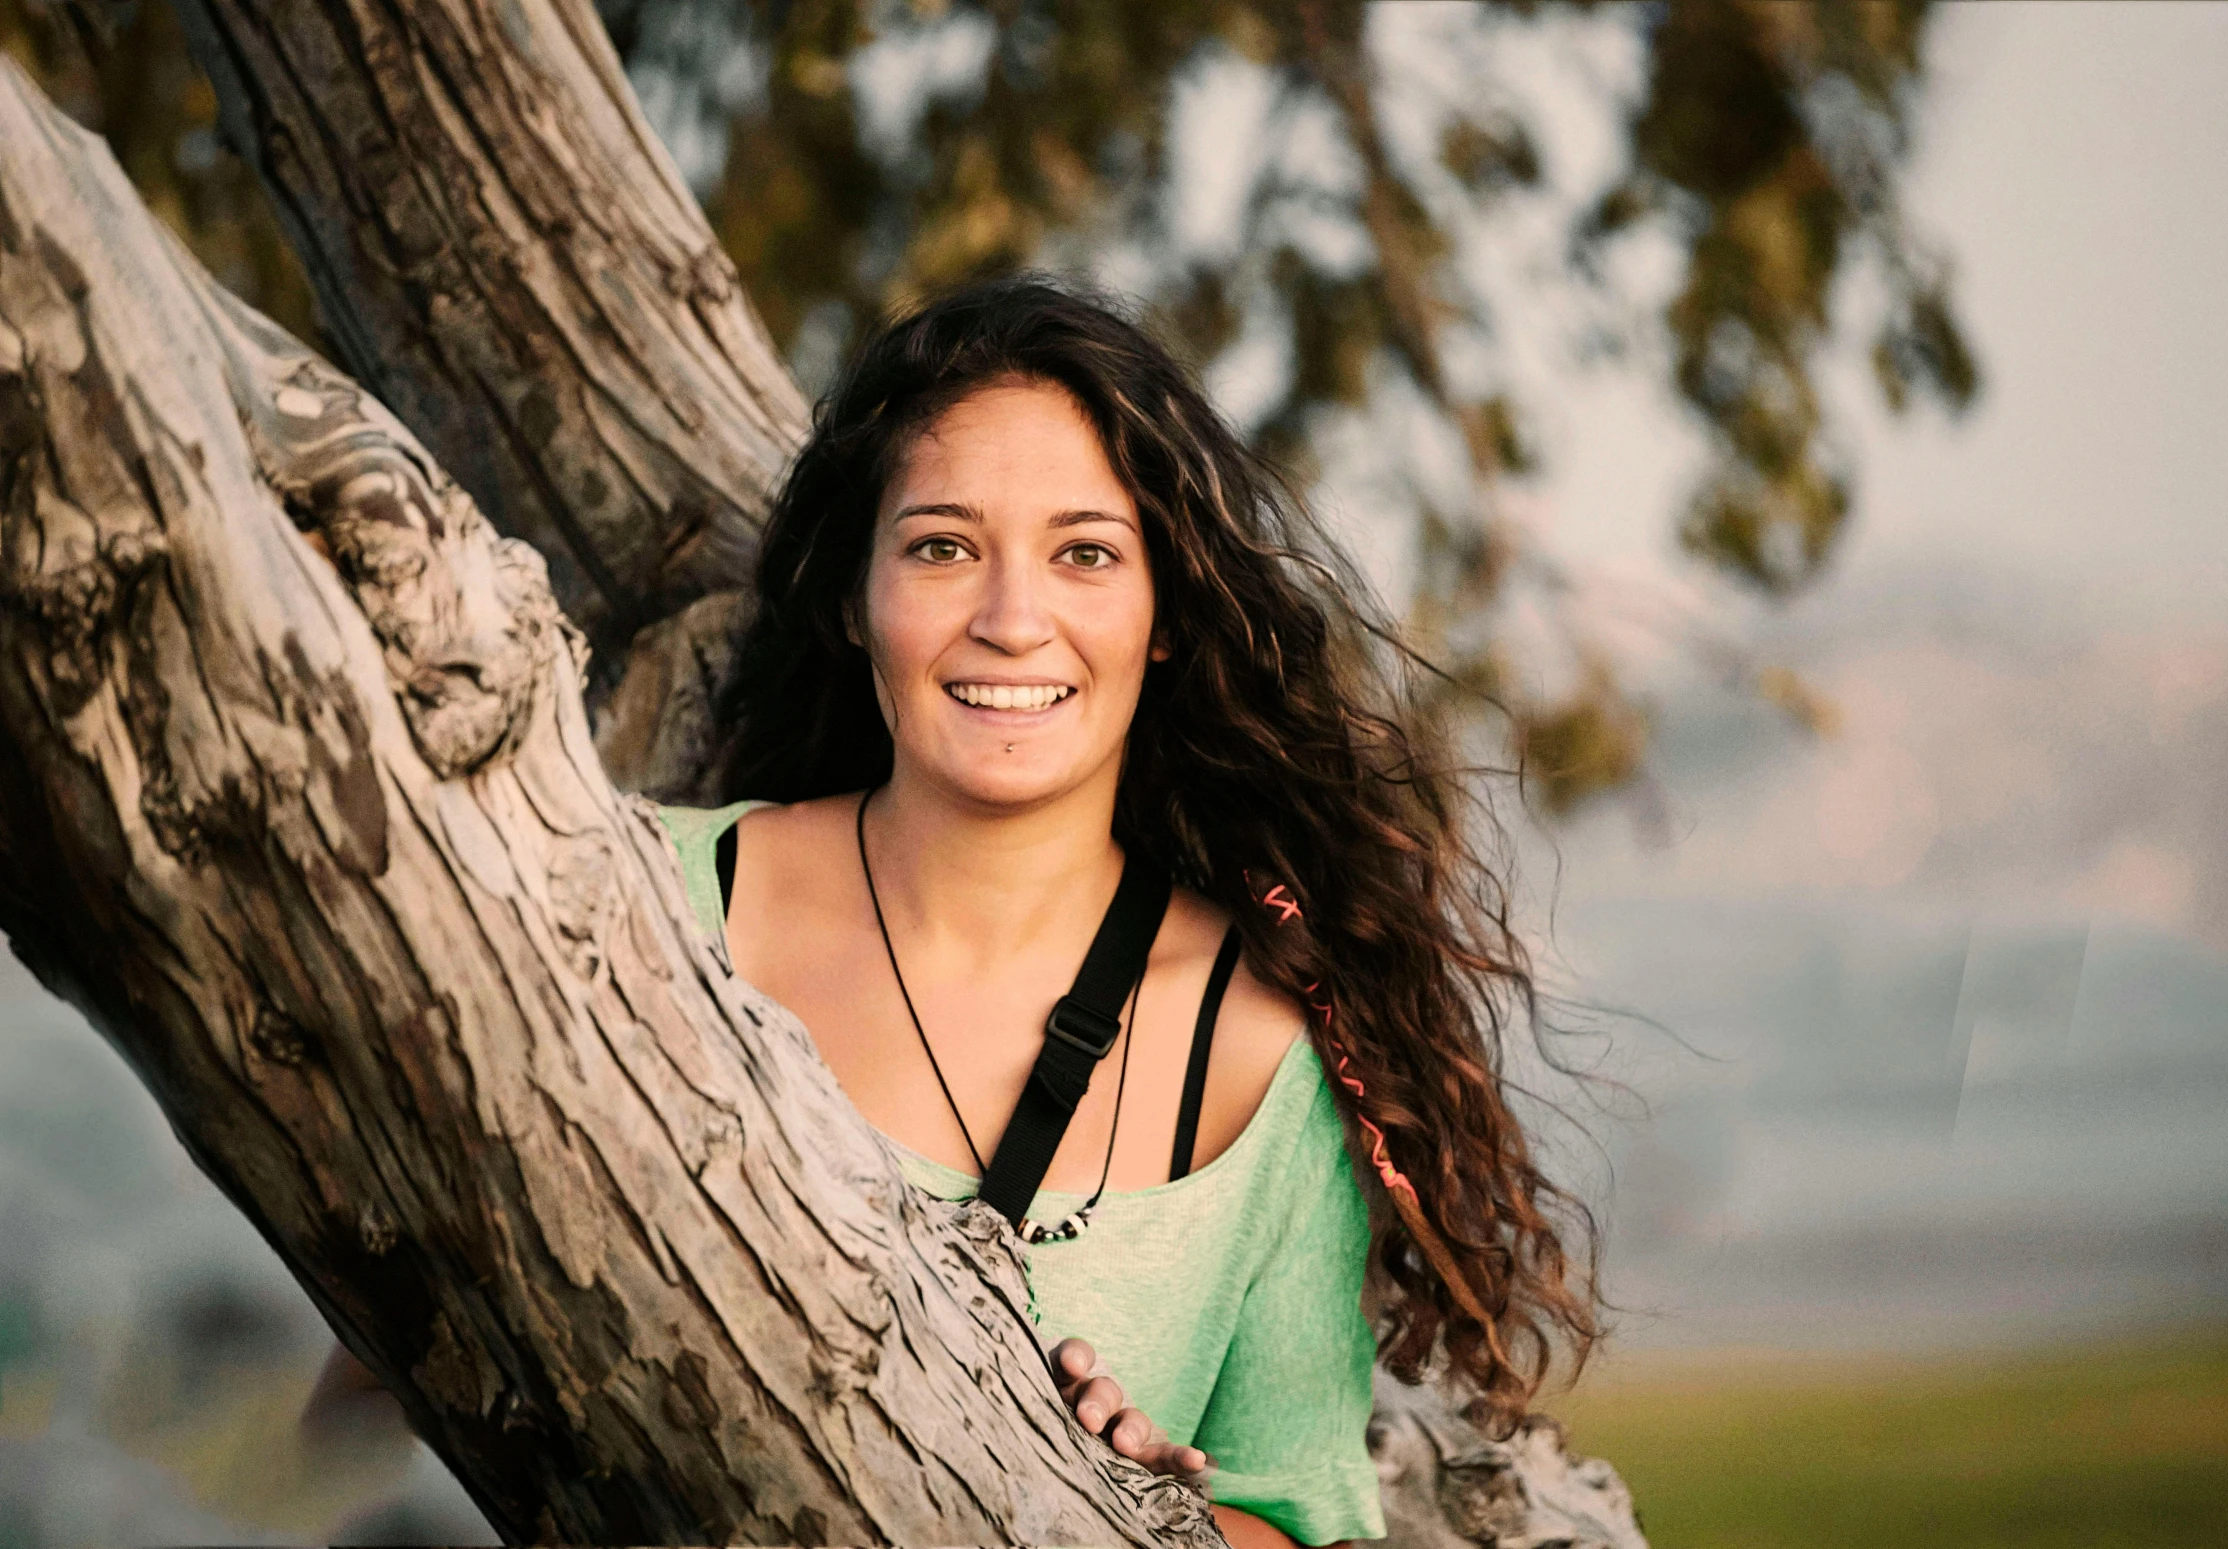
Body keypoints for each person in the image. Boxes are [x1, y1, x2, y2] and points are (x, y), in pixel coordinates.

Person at [304, 276, 1598, 1548]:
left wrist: (1142, 1517)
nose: (1011, 620)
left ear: (1163, 617)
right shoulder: (633, 900)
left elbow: (1292, 1510)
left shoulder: (1257, 1050)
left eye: (1084, 554)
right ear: (854, 599)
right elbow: (368, 1400)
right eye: (941, 547)